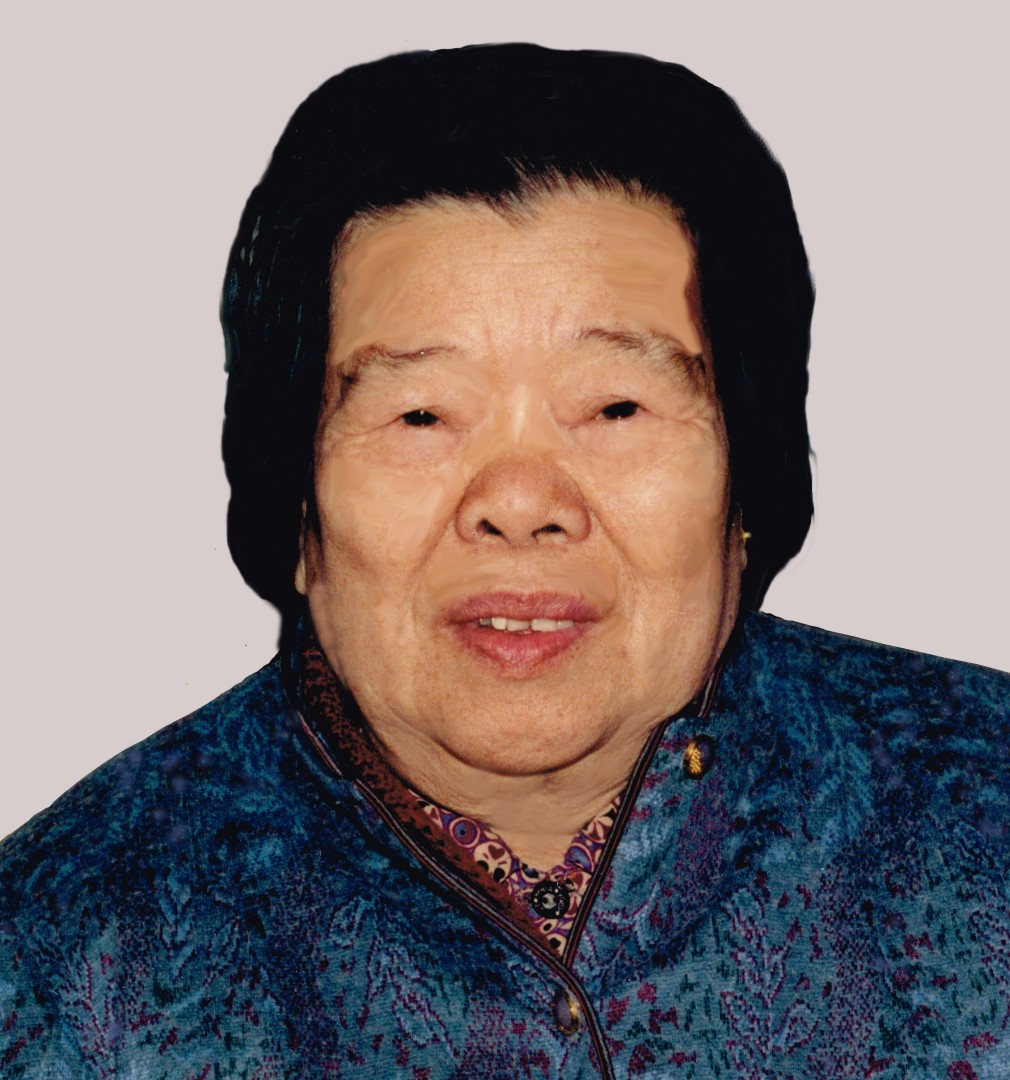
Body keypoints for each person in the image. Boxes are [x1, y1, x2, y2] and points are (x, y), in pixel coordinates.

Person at [1, 43, 1007, 1079]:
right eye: (421, 415)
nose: (520, 505)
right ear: (296, 508)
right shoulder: (55, 970)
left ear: (744, 482)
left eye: (616, 408)